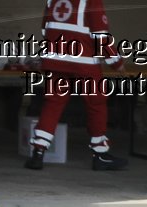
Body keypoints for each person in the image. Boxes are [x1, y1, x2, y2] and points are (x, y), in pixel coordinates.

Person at [24, 0, 130, 171]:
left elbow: (45, 30)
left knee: (53, 104)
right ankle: (100, 154)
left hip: (56, 60)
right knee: (96, 104)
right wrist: (116, 63)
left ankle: (38, 152)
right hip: (84, 63)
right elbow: (100, 38)